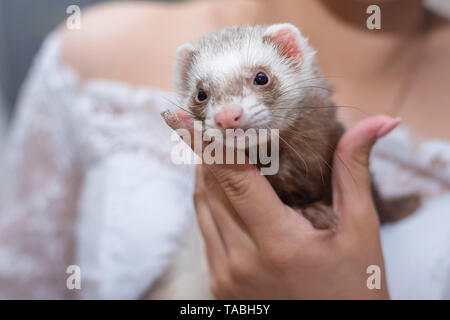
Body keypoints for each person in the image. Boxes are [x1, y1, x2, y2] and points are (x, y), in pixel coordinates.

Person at [1, 0, 449, 299]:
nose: (229, 111)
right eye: (202, 97)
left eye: (259, 81)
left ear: (292, 56)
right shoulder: (89, 45)